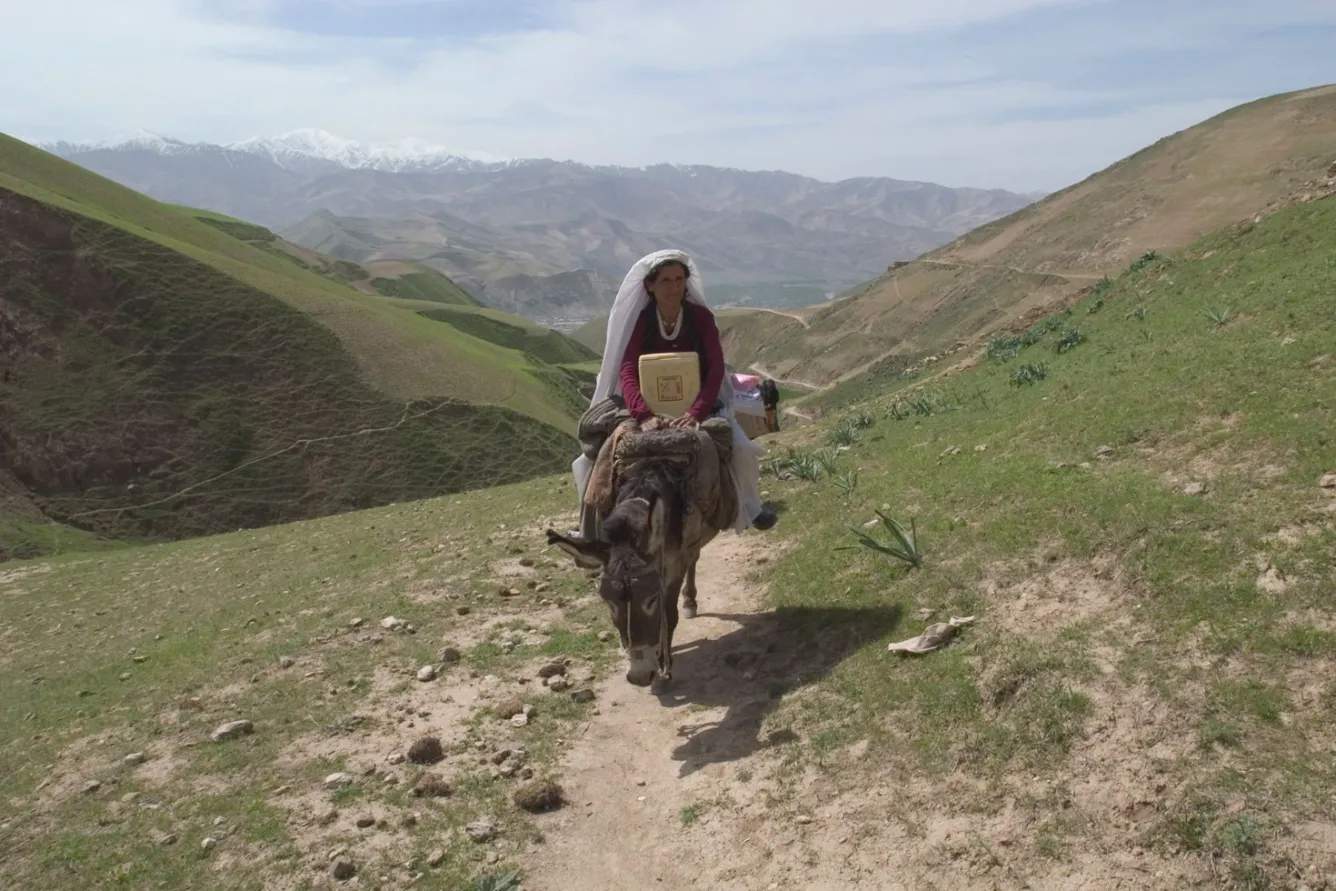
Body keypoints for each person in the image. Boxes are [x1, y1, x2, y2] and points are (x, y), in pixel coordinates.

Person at [572, 249, 777, 533]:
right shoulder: (640, 323)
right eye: (666, 280)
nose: (674, 287)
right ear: (651, 286)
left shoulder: (701, 319)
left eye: (679, 279)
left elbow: (715, 368)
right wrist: (643, 414)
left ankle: (750, 508)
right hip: (645, 407)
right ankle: (589, 531)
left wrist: (696, 412)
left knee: (741, 447)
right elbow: (628, 369)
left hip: (698, 405)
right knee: (592, 457)